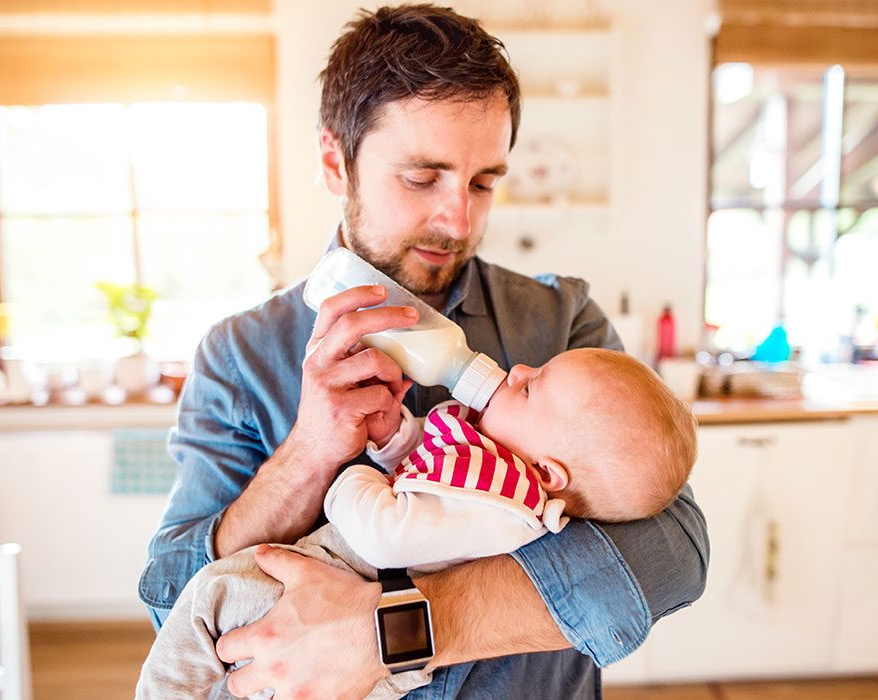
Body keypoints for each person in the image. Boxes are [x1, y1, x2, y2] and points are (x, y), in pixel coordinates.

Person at [139, 5, 709, 699]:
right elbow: (170, 595)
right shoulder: (240, 355)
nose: (459, 219)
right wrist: (308, 457)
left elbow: (673, 553)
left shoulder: (559, 322)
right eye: (421, 178)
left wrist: (394, 631)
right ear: (334, 163)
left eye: (483, 182)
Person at [136, 348, 698, 698]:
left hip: (347, 569)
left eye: (530, 387)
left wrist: (352, 479)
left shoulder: (506, 505)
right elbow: (434, 485)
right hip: (334, 641)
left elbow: (390, 529)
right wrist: (388, 440)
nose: (519, 367)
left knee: (210, 596)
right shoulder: (236, 351)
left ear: (549, 472)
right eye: (420, 177)